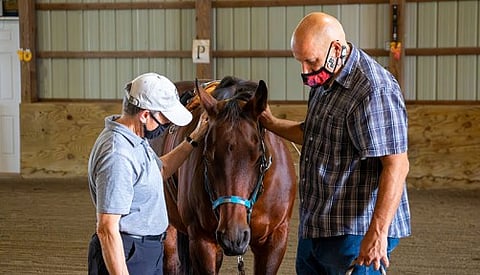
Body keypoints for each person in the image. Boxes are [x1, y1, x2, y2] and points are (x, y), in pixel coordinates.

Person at [259, 12, 411, 274]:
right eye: (300, 62)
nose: (304, 71)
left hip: (355, 231)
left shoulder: (373, 90)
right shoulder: (325, 79)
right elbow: (314, 134)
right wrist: (270, 123)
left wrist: (377, 233)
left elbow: (397, 165)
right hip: (319, 224)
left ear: (336, 49)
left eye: (310, 61)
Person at [87, 72, 208, 275]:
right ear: (144, 115)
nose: (168, 125)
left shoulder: (135, 140)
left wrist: (193, 139)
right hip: (127, 254)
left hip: (144, 251)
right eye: (165, 119)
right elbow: (107, 228)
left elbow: (158, 171)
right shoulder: (118, 154)